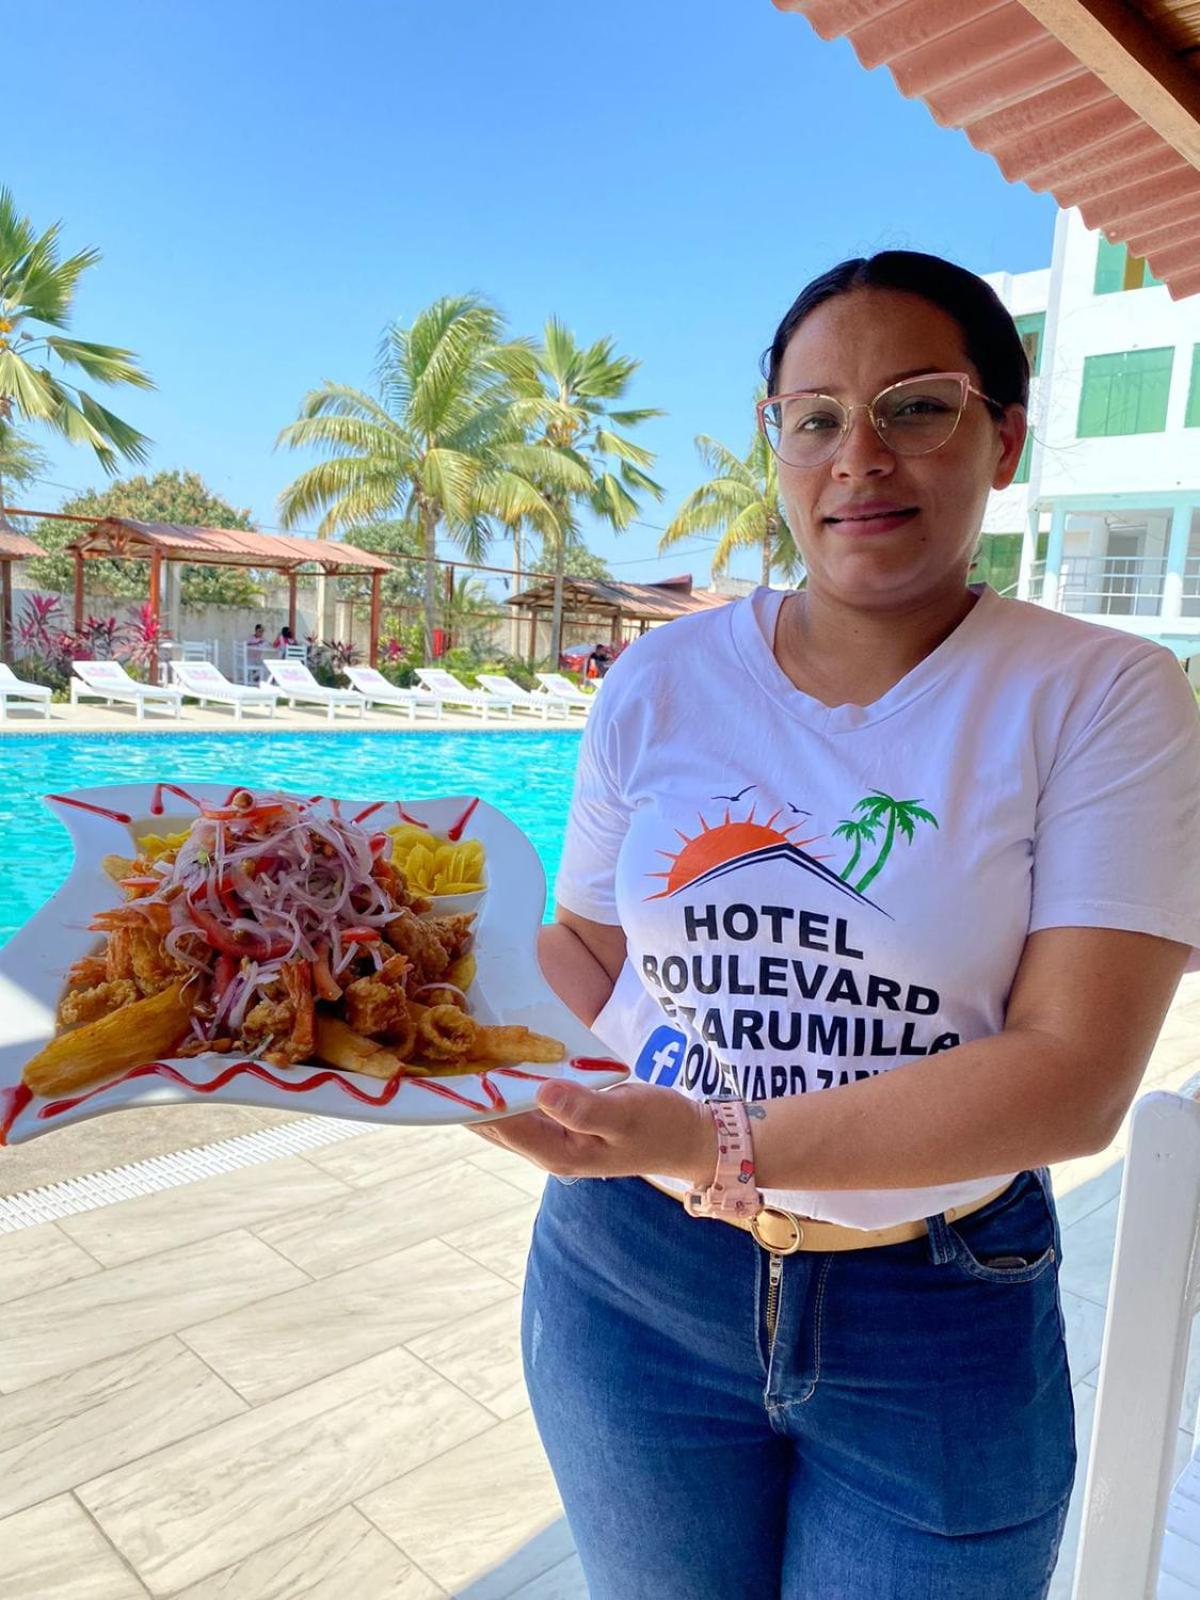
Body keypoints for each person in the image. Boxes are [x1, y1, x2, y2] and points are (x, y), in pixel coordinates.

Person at [471, 251, 1200, 1598]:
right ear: (779, 447)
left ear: (1004, 436)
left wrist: (717, 1139)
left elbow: (1075, 1077)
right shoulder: (660, 678)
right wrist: (416, 1008)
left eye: (915, 407)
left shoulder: (1103, 696)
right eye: (813, 418)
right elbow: (588, 958)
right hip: (631, 1278)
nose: (857, 456)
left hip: (932, 1312)